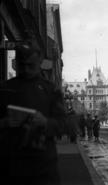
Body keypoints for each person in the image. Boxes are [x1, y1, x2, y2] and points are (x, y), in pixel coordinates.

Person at [0, 42, 66, 185]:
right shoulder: (4, 89)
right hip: (11, 166)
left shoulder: (51, 90)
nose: (26, 70)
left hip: (42, 168)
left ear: (40, 63)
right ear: (15, 63)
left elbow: (64, 124)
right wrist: (4, 122)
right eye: (22, 65)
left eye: (31, 66)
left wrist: (45, 122)